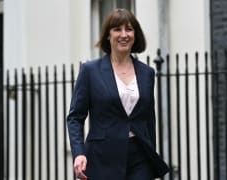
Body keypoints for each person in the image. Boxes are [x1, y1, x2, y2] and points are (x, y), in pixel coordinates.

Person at [67, 8, 169, 180]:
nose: (124, 34)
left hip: (139, 157)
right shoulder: (90, 71)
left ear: (135, 35)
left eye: (129, 29)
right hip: (102, 157)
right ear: (108, 35)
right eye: (117, 29)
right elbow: (75, 117)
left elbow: (149, 119)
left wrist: (151, 153)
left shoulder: (147, 73)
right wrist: (78, 153)